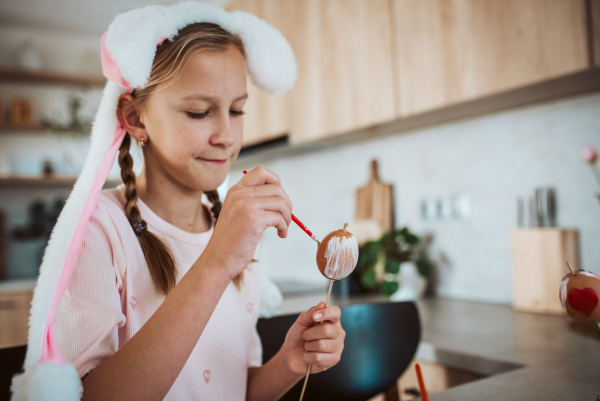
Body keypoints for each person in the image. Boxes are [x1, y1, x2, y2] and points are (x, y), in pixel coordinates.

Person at [12, 4, 344, 401]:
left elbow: (236, 390)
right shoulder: (100, 229)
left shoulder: (232, 231)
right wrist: (218, 262)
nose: (226, 135)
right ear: (135, 119)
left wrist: (289, 363)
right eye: (199, 112)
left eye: (237, 110)